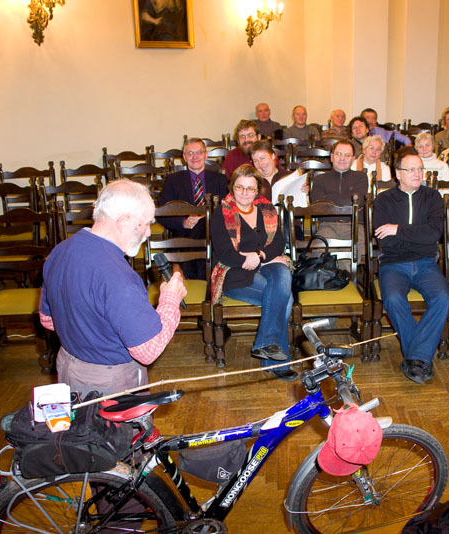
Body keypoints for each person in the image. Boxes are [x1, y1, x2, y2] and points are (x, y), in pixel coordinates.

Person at [39, 179, 188, 397]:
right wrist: (170, 300)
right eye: (145, 223)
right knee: (122, 433)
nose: (148, 233)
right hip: (110, 384)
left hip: (69, 368)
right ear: (124, 221)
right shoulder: (118, 276)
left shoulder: (59, 252)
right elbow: (148, 350)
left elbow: (48, 321)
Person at [209, 165, 297, 381]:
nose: (245, 193)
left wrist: (258, 256)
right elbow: (225, 254)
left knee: (284, 274)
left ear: (258, 190)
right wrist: (249, 259)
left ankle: (266, 347)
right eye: (240, 187)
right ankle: (275, 362)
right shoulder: (221, 213)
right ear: (232, 187)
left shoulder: (268, 211)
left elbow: (278, 244)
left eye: (250, 188)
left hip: (264, 263)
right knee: (285, 299)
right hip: (235, 272)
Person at [372, 148, 449, 384]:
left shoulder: (433, 197)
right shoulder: (383, 200)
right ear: (398, 173)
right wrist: (416, 234)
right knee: (394, 299)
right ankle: (420, 359)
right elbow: (383, 239)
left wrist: (399, 229)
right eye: (411, 169)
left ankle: (415, 359)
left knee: (443, 298)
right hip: (393, 263)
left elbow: (435, 233)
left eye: (420, 169)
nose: (418, 173)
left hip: (426, 262)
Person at [159, 137, 229, 279]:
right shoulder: (173, 180)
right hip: (184, 234)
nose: (195, 157)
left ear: (206, 155)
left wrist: (206, 219)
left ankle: (188, 273)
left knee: (206, 223)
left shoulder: (220, 179)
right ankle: (204, 279)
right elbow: (162, 213)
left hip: (214, 235)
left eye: (199, 152)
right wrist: (183, 222)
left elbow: (227, 209)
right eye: (190, 153)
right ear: (184, 157)